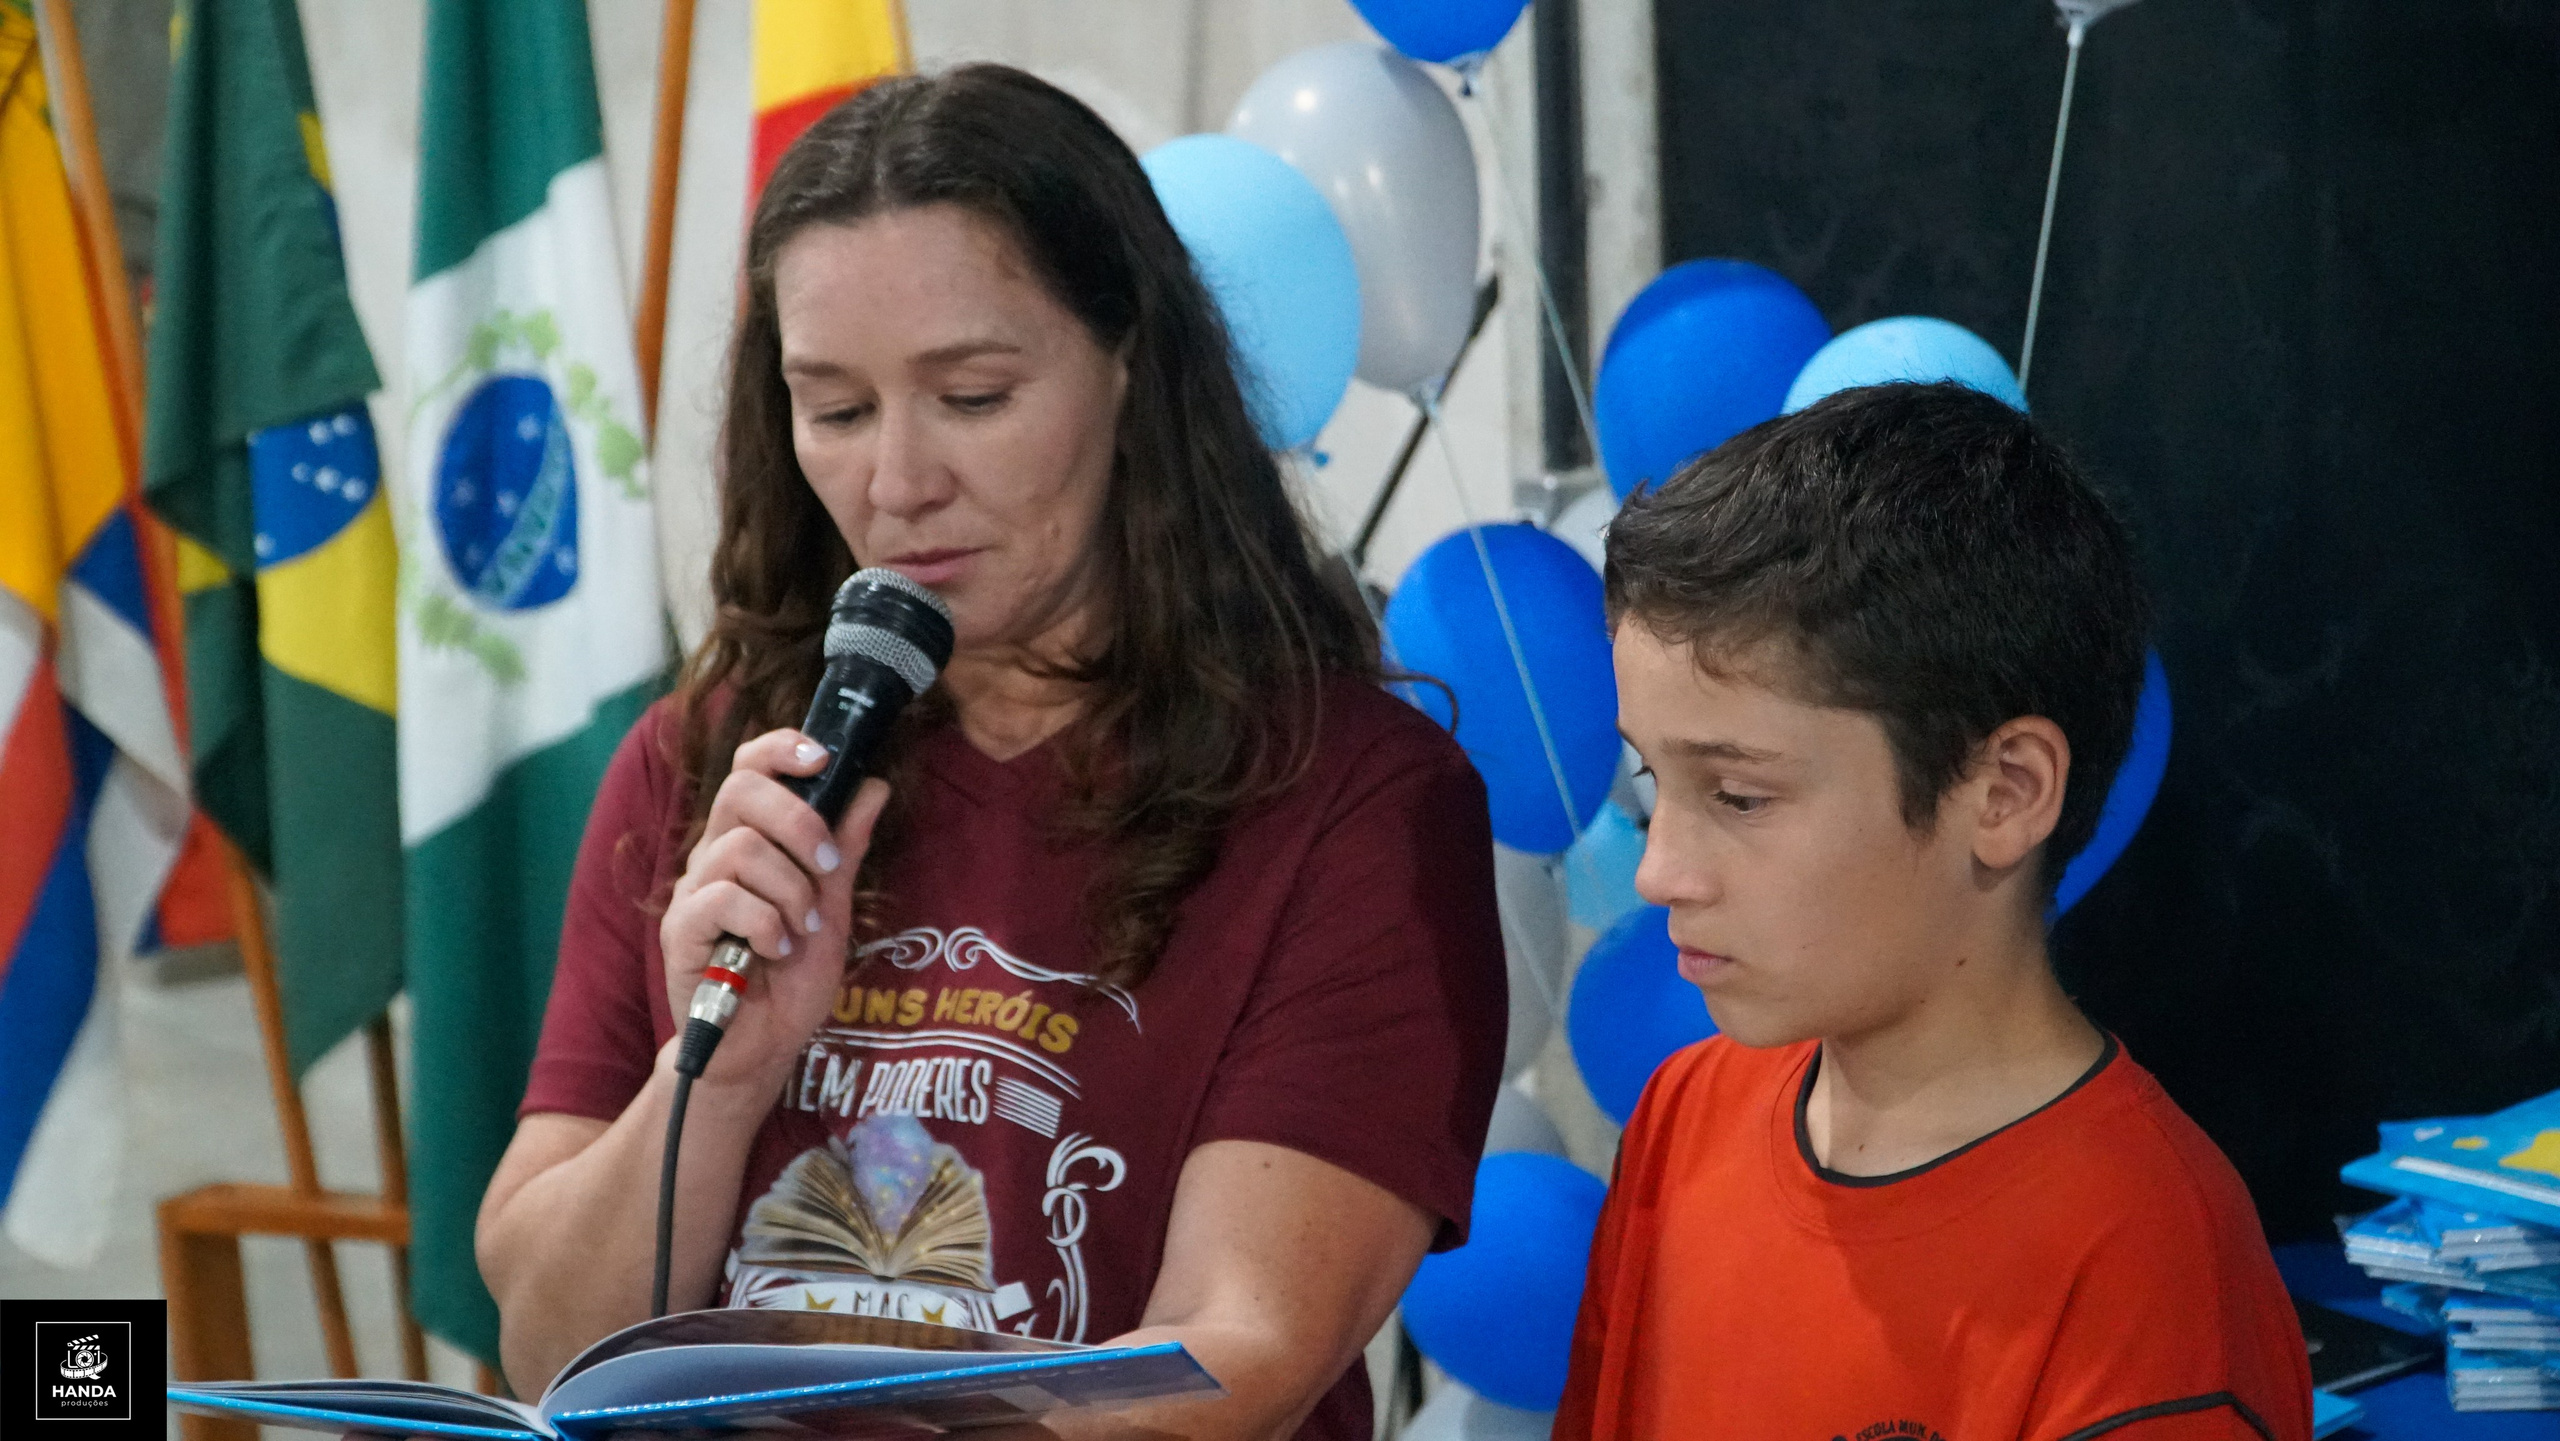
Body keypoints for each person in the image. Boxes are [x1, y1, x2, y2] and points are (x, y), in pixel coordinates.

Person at [474, 65, 1506, 1440]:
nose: (897, 484)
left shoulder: (1352, 804)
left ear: (1131, 363)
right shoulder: (718, 761)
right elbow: (549, 1342)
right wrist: (711, 1085)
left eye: (971, 395)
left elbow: (1233, 1361)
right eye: (836, 412)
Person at [1556, 383, 2313, 1441]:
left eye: (1737, 795)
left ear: (2002, 792)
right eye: (1650, 785)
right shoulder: (1684, 1116)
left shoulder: (2143, 1258)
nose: (1659, 870)